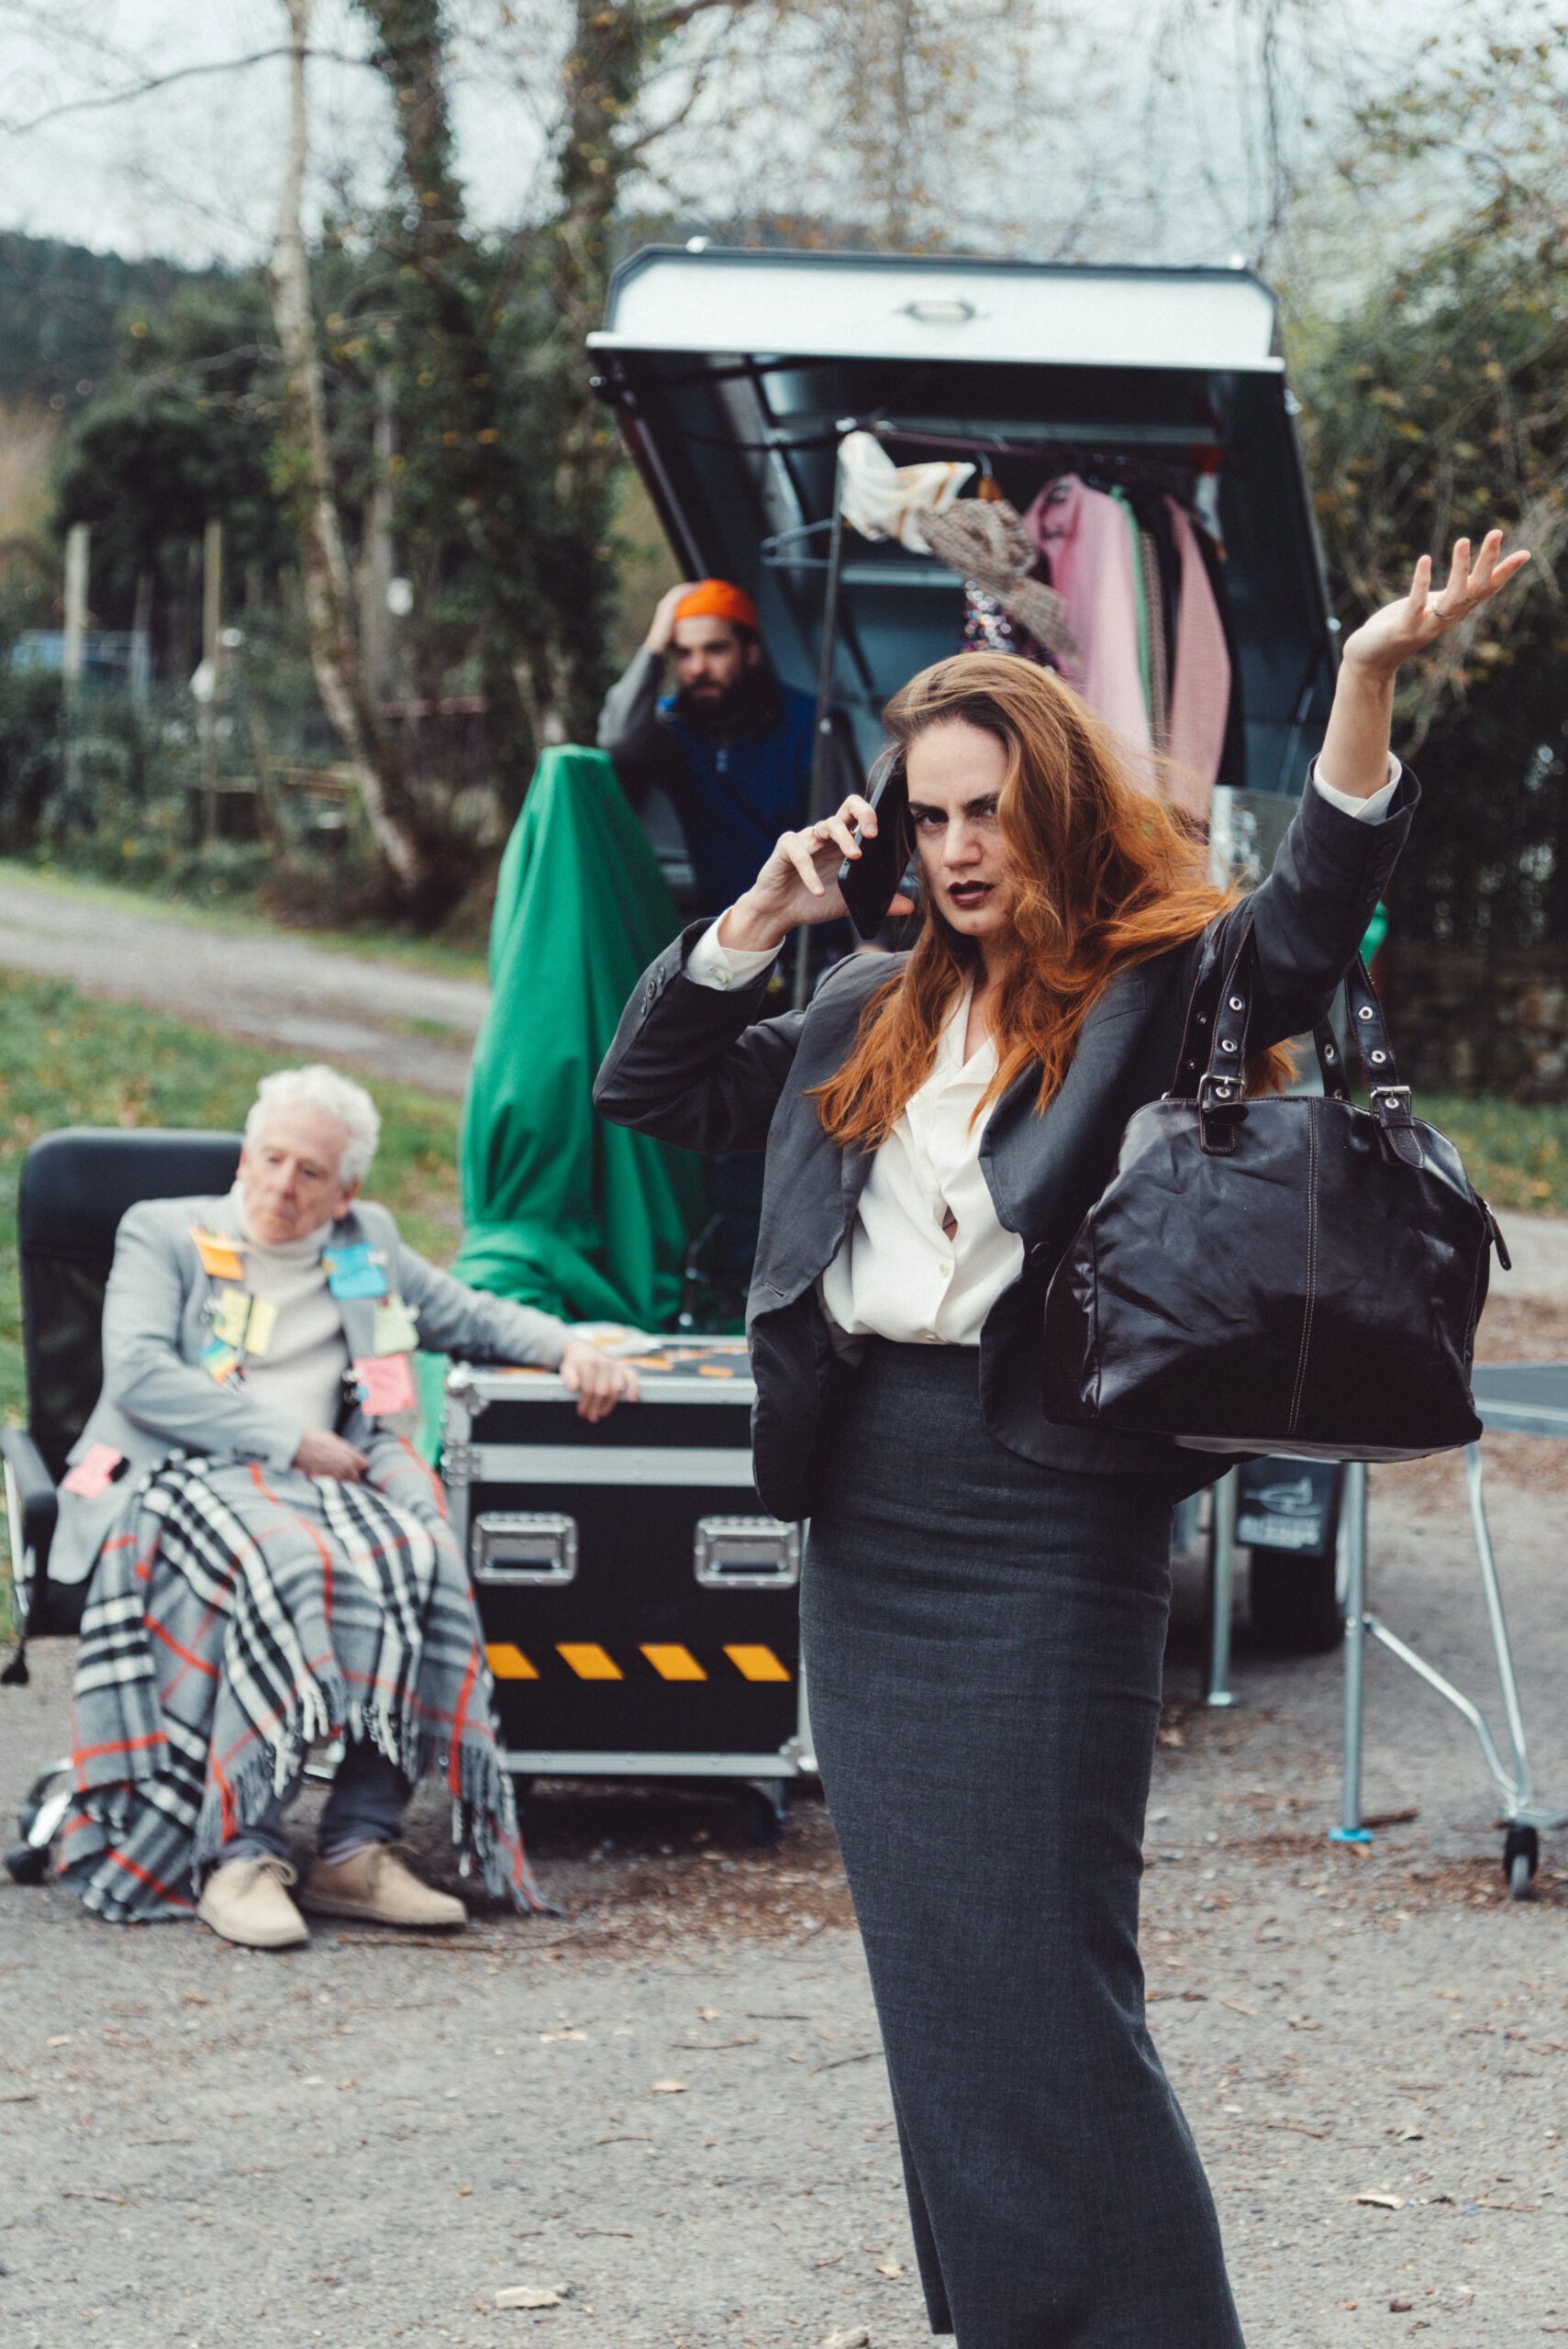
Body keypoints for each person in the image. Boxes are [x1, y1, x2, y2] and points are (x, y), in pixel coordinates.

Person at [594, 532, 1529, 2347]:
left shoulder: (1151, 987)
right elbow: (646, 1083)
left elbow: (1306, 917)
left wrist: (1357, 683)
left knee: (1048, 1979)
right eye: (929, 813)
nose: (956, 846)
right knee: (937, 1986)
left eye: (988, 810)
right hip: (865, 1514)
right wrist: (759, 913)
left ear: (1055, 812)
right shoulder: (854, 1007)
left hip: (1046, 1511)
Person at [55, 1063, 638, 1951]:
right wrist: (286, 1440)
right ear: (244, 1156)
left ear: (346, 1192)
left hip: (325, 1485)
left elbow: (468, 1316)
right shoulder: (165, 1232)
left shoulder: (367, 1244)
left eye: (310, 1172)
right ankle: (239, 1851)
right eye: (269, 1158)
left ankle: (356, 1844)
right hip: (180, 1474)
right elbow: (138, 1375)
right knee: (287, 1563)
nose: (281, 1186)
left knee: (422, 1556)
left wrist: (568, 1348)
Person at [597, 576, 862, 918]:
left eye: (715, 649)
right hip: (725, 933)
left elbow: (853, 838)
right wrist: (655, 641)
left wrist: (869, 940)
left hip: (814, 930)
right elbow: (619, 739)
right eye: (683, 653)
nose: (698, 668)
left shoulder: (811, 724)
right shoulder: (674, 729)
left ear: (750, 652)